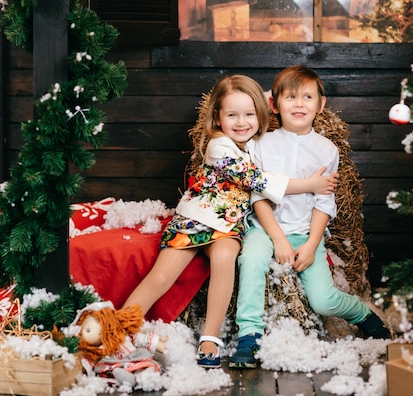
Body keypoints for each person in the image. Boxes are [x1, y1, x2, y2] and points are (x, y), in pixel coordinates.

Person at [123, 74, 337, 369]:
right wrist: (310, 184)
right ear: (217, 117)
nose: (241, 122)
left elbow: (265, 102)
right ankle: (120, 327)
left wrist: (272, 99)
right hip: (196, 221)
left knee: (225, 261)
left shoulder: (257, 144)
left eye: (250, 114)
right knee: (162, 275)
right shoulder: (219, 146)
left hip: (228, 228)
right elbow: (256, 180)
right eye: (232, 115)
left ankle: (210, 337)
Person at [229, 65, 391, 370]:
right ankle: (249, 335)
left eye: (307, 97)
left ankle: (362, 314)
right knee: (251, 261)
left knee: (323, 300)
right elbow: (258, 196)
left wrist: (312, 242)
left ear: (321, 104)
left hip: (306, 232)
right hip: (265, 229)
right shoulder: (261, 144)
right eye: (290, 97)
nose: (300, 104)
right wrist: (277, 239)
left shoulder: (326, 149)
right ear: (275, 105)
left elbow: (323, 202)